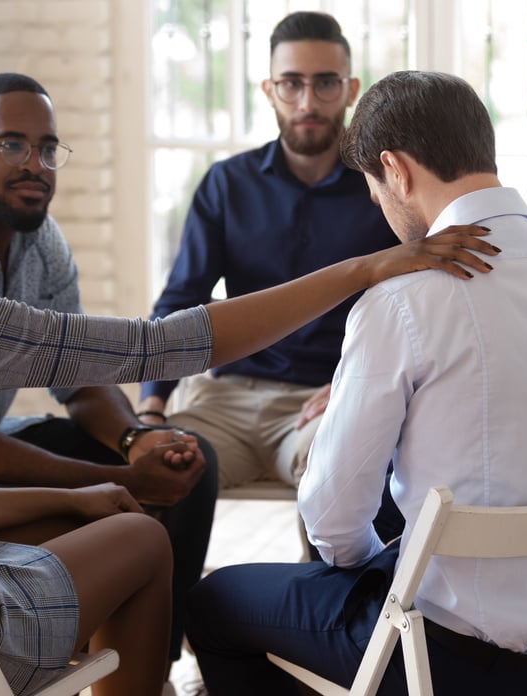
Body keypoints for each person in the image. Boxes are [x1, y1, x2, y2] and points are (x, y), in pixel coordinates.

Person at [0, 73, 495, 696]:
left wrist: (75, 491)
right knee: (145, 545)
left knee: (90, 521)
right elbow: (167, 342)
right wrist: (365, 269)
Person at [185, 70, 527, 696]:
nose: (378, 205)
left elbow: (330, 518)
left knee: (214, 605)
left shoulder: (403, 302)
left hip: (441, 658)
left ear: (396, 170)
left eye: (374, 188)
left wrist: (364, 569)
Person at [0, 72, 218, 665]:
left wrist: (136, 442)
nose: (36, 163)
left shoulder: (42, 240)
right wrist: (120, 481)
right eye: (12, 144)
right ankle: (77, 648)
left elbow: (78, 377)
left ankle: (145, 662)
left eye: (48, 148)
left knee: (187, 461)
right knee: (130, 498)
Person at [137, 11, 402, 494]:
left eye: (325, 83)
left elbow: (416, 304)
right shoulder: (226, 184)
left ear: (350, 89)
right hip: (225, 400)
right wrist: (152, 404)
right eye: (291, 84)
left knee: (342, 473)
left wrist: (364, 384)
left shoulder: (385, 189)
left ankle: (325, 575)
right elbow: (181, 298)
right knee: (162, 472)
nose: (308, 101)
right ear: (268, 90)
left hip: (328, 399)